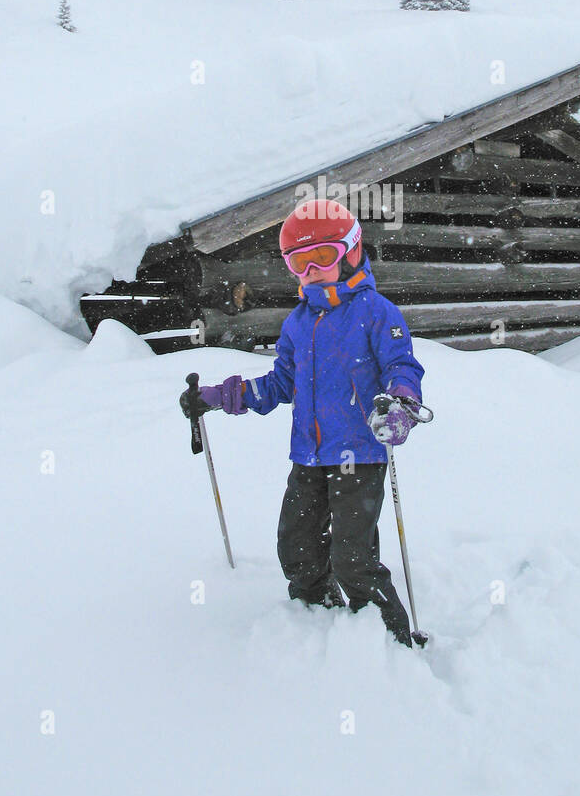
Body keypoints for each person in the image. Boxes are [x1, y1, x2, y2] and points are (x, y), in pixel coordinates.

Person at [182, 198, 426, 646]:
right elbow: (279, 384)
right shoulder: (298, 323)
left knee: (353, 556)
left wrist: (401, 402)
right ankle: (317, 623)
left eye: (323, 257)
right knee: (296, 549)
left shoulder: (376, 312)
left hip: (360, 453)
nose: (312, 270)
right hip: (309, 457)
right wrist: (218, 397)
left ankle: (390, 641)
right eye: (300, 262)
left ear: (350, 252)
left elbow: (402, 367)